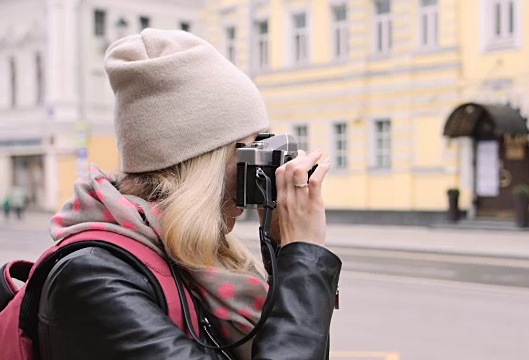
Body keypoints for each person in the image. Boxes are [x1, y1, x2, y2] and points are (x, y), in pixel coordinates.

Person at [38, 28, 341, 360]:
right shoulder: (95, 280)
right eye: (247, 153)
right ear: (205, 164)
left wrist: (283, 252)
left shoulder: (195, 259)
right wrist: (304, 257)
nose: (256, 172)